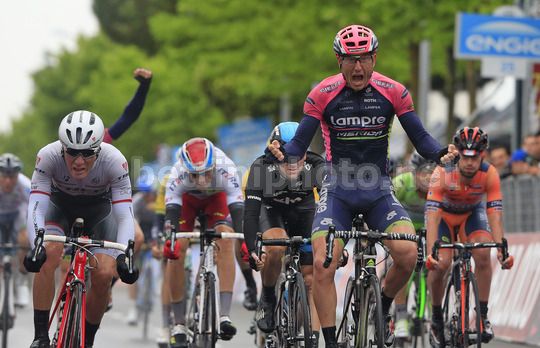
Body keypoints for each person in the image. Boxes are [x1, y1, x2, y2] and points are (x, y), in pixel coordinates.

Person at [266, 24, 458, 347]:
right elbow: (299, 144)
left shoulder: (393, 91)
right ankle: (330, 340)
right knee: (324, 261)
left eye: (365, 58)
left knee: (408, 253)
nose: (359, 67)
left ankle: (382, 303)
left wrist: (441, 153)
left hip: (378, 191)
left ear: (375, 58)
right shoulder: (322, 94)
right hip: (338, 190)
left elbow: (421, 138)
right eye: (351, 59)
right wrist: (282, 153)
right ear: (338, 60)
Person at [24, 110, 139, 348]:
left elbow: (125, 216)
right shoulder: (47, 156)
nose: (79, 161)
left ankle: (87, 340)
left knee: (104, 273)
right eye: (72, 152)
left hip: (99, 210)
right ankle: (41, 336)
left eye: (87, 154)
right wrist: (36, 244)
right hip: (59, 205)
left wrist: (124, 256)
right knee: (50, 252)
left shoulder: (115, 161)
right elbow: (36, 207)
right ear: (62, 148)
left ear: (98, 149)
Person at [425, 127, 514, 347]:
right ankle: (436, 318)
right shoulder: (443, 173)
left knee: (483, 254)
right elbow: (432, 216)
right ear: (458, 153)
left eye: (475, 158)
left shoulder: (490, 173)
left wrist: (502, 247)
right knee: (441, 263)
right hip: (444, 219)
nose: (469, 163)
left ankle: (482, 316)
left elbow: (494, 212)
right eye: (465, 156)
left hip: (470, 216)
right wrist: (430, 252)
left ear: (482, 155)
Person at [244, 122, 324, 343]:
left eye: (299, 154)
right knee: (276, 246)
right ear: (275, 151)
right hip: (271, 212)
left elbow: (332, 208)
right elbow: (250, 214)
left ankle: (312, 336)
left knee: (311, 278)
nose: (293, 161)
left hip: (303, 212)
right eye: (287, 155)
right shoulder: (261, 168)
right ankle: (268, 297)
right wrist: (252, 248)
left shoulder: (317, 165)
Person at [163, 137, 244, 347]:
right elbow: (171, 215)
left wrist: (246, 241)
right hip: (187, 202)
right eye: (195, 175)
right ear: (186, 169)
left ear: (215, 165)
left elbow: (238, 211)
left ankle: (224, 315)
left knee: (226, 238)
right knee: (177, 248)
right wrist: (170, 239)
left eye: (206, 173)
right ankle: (179, 323)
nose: (201, 180)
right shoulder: (176, 174)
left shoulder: (227, 168)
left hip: (217, 199)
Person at [391, 151, 436, 339]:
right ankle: (400, 314)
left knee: (435, 267)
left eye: (432, 173)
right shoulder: (401, 183)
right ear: (414, 173)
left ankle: (433, 314)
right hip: (403, 228)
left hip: (429, 230)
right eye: (423, 173)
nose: (427, 177)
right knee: (404, 267)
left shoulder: (441, 186)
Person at [0, 153, 31, 317]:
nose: (8, 181)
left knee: (24, 238)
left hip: (17, 216)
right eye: (4, 176)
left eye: (12, 177)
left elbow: (36, 207)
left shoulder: (25, 184)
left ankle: (21, 282)